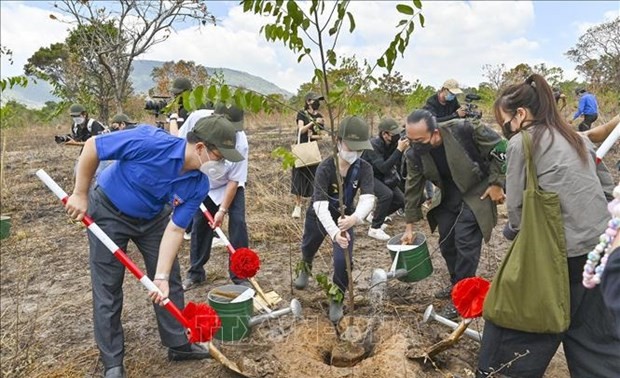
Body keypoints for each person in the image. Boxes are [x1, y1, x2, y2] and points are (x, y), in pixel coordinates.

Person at [63, 116, 244, 378]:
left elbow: (175, 228)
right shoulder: (149, 141)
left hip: (153, 218)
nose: (221, 163)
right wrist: (80, 193)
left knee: (169, 277)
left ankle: (178, 343)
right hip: (108, 210)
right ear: (201, 148)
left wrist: (159, 276)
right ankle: (113, 362)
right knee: (108, 286)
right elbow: (93, 146)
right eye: (219, 155)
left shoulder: (198, 183)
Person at [477, 74, 620, 377]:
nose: (505, 129)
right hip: (600, 252)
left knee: (517, 326)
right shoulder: (576, 137)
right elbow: (606, 188)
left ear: (521, 115)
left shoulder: (522, 142)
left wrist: (515, 237)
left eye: (504, 121)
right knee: (595, 341)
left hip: (559, 257)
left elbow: (516, 211)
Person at [402, 109, 506, 320]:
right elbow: (412, 187)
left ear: (435, 132)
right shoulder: (415, 154)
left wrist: (497, 183)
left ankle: (463, 300)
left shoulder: (465, 130)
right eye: (411, 140)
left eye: (420, 140)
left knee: (465, 242)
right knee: (447, 242)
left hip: (478, 190)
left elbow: (502, 147)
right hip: (448, 194)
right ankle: (457, 284)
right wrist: (409, 226)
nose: (415, 145)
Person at [293, 116, 375, 322]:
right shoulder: (325, 167)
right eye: (350, 146)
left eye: (359, 148)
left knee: (342, 261)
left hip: (346, 217)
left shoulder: (364, 168)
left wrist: (354, 219)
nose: (354, 152)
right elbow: (319, 205)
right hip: (320, 216)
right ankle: (305, 266)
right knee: (309, 245)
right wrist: (335, 233)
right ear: (338, 141)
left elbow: (367, 198)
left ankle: (337, 296)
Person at [181, 105, 250, 290]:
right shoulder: (196, 119)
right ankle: (196, 273)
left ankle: (240, 275)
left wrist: (222, 210)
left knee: (238, 223)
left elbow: (234, 180)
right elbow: (181, 146)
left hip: (229, 185)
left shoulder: (240, 143)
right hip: (203, 181)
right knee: (200, 225)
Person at [361, 118, 409, 241]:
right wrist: (399, 150)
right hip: (367, 174)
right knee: (386, 195)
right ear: (384, 134)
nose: (396, 136)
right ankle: (374, 228)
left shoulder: (394, 142)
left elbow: (395, 163)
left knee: (400, 200)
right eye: (393, 134)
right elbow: (383, 167)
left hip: (382, 174)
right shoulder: (373, 146)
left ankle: (375, 216)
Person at [291, 92, 325, 218]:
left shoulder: (320, 116)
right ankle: (298, 206)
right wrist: (312, 123)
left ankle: (313, 205)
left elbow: (320, 135)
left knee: (314, 176)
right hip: (301, 147)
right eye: (316, 100)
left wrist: (314, 135)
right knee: (298, 176)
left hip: (312, 149)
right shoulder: (302, 113)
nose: (318, 103)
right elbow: (301, 130)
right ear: (308, 101)